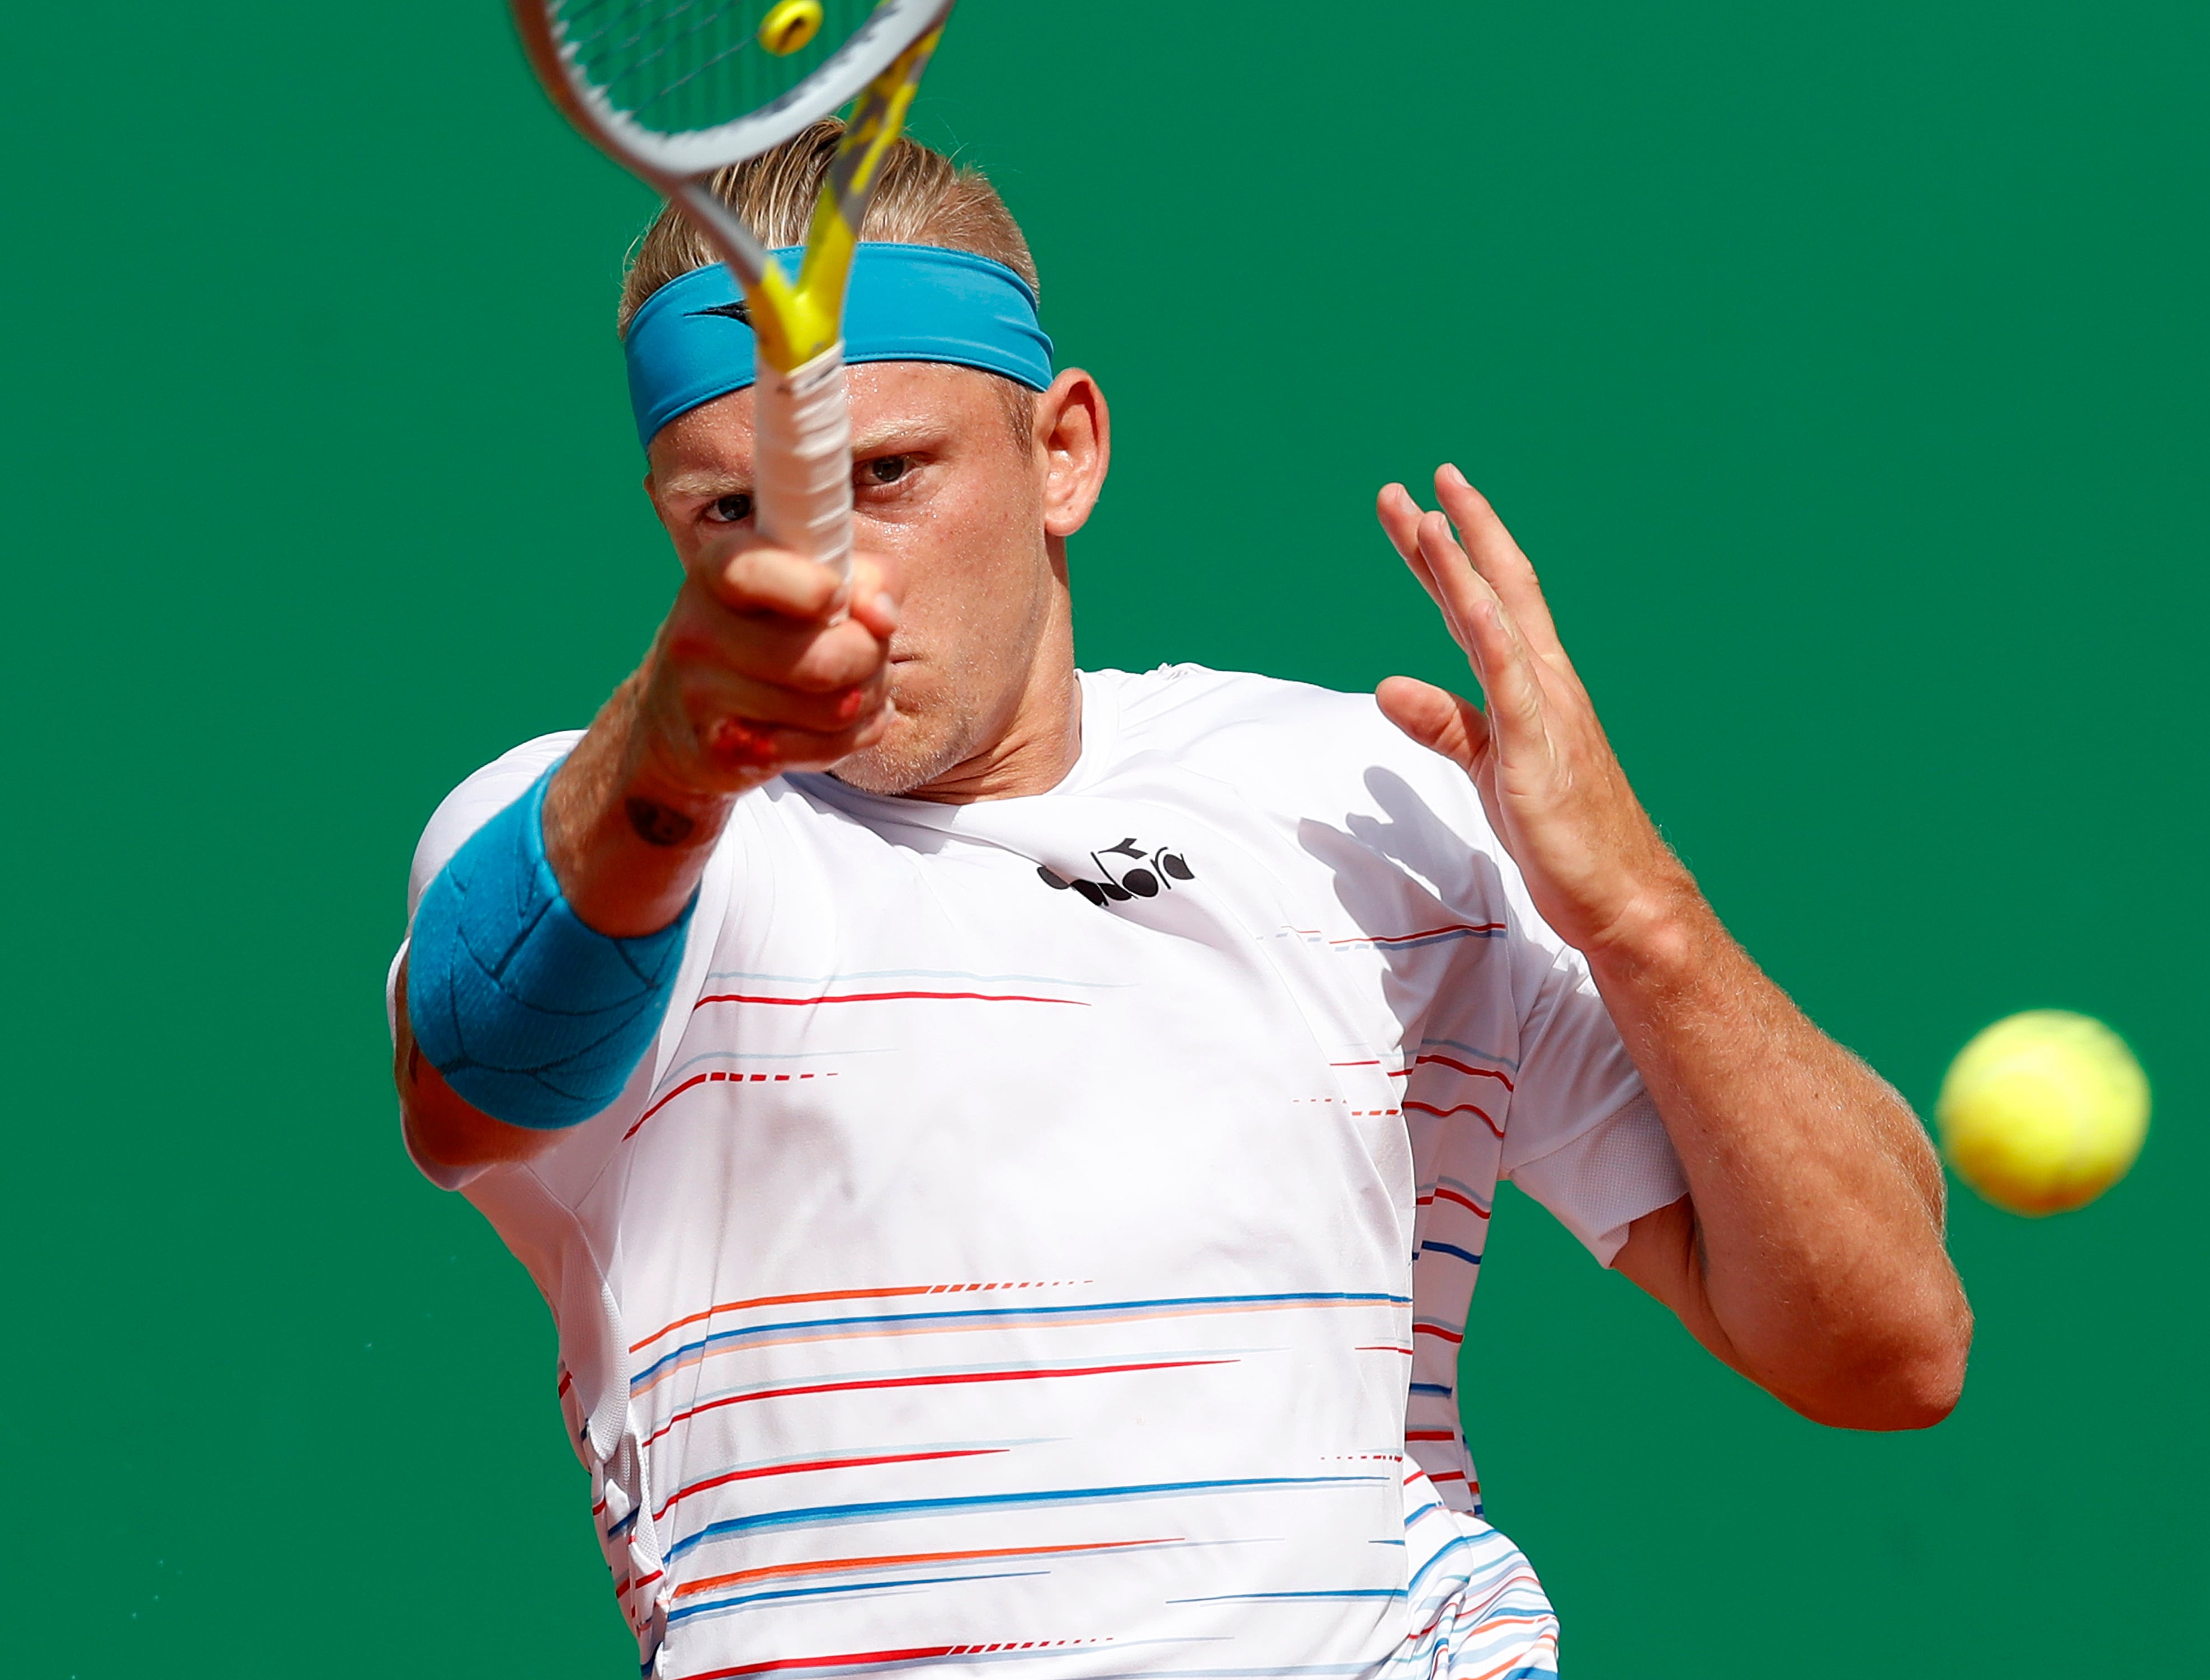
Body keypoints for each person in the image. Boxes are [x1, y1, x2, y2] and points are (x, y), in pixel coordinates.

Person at [391, 124, 1970, 1680]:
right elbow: (471, 1085)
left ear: (1062, 450)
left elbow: (1888, 1345)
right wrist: (671, 753)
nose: (831, 573)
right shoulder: (614, 837)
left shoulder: (1371, 800)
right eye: (732, 514)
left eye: (889, 474)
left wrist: (1639, 909)